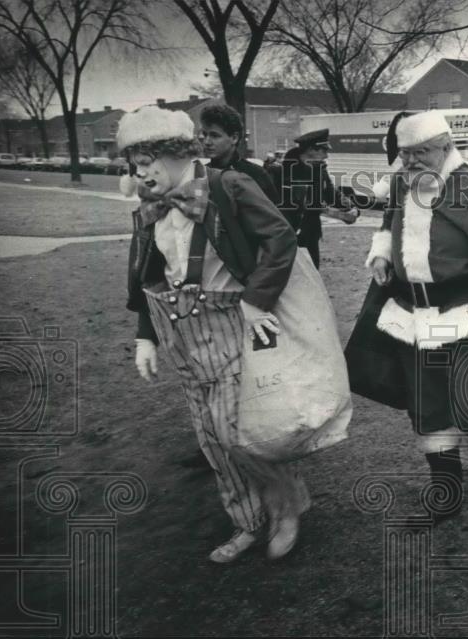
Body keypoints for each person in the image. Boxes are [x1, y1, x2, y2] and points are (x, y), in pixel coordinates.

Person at [122, 106, 310, 563]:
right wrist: (146, 334)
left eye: (147, 162)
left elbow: (282, 239)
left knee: (239, 433)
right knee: (210, 439)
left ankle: (287, 508)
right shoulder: (151, 207)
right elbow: (150, 274)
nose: (140, 174)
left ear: (176, 152)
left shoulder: (229, 186)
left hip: (232, 327)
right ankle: (246, 521)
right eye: (134, 164)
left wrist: (256, 300)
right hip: (182, 336)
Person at [364, 111, 468, 523]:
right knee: (427, 404)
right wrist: (383, 252)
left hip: (466, 312)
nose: (412, 162)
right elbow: (389, 220)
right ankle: (446, 488)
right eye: (405, 154)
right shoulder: (402, 181)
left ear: (446, 147)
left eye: (422, 153)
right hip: (413, 314)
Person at [271, 129, 361, 267]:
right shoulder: (280, 172)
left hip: (310, 235)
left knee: (313, 276)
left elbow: (332, 194)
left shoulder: (319, 170)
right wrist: (331, 212)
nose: (326, 156)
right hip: (285, 235)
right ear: (311, 149)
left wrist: (351, 208)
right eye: (324, 151)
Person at [199, 104, 278, 204]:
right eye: (205, 135)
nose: (207, 142)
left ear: (234, 138)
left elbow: (274, 216)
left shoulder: (255, 175)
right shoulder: (200, 174)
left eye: (215, 136)